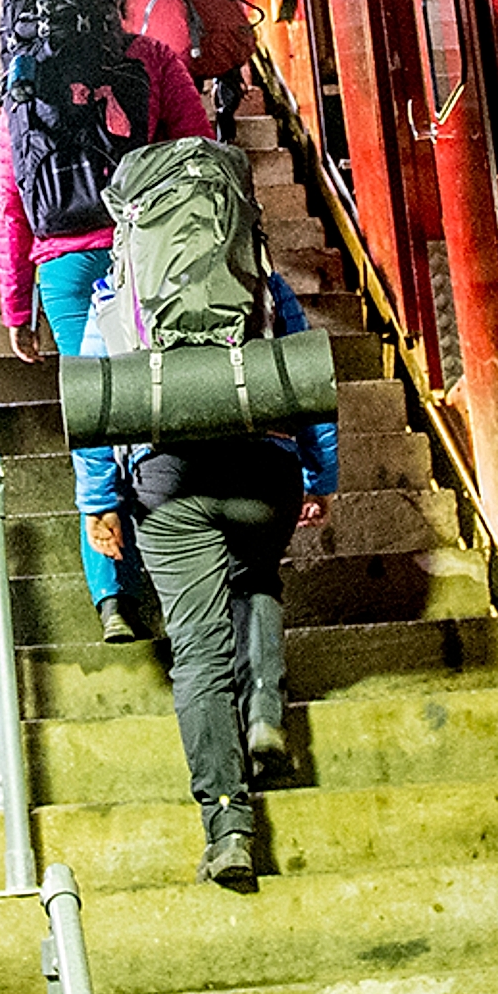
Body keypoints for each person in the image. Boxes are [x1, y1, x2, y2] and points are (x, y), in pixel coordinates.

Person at [0, 0, 214, 640]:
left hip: (61, 268)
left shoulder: (22, 84)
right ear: (112, 6)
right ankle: (173, 570)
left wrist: (16, 306)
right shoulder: (150, 58)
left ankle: (110, 593)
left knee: (94, 412)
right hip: (145, 250)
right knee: (157, 403)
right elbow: (198, 148)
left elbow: (11, 200)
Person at [116, 267, 338, 888]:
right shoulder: (263, 280)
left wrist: (98, 502)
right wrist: (319, 477)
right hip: (264, 471)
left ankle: (229, 827)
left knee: (197, 651)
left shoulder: (126, 283)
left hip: (170, 482)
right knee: (257, 571)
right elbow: (307, 379)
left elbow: (99, 393)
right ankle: (265, 711)